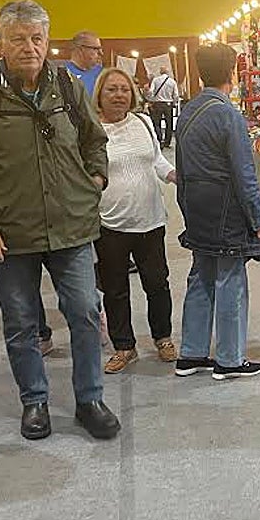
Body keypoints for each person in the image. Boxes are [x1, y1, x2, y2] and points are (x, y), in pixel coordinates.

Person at [0, 0, 119, 441]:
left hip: (72, 225)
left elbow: (93, 139)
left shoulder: (65, 84)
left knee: (84, 312)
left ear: (48, 40)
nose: (29, 48)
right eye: (18, 39)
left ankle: (89, 399)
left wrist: (95, 178)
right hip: (10, 234)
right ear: (1, 42)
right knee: (21, 321)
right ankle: (34, 401)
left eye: (37, 38)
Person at [173, 43, 260, 380]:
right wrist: (259, 218)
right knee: (231, 280)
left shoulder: (188, 111)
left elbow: (180, 170)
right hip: (226, 208)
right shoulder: (228, 114)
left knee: (200, 277)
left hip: (196, 206)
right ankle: (229, 359)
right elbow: (244, 174)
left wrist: (185, 208)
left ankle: (192, 353)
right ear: (233, 73)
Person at [91, 68, 178, 373]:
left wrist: (174, 176)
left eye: (124, 90)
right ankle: (124, 346)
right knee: (115, 290)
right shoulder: (91, 130)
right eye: (112, 90)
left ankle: (163, 338)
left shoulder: (142, 122)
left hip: (150, 220)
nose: (119, 95)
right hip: (110, 224)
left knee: (157, 284)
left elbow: (157, 159)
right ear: (99, 95)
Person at [147, 65, 179, 149]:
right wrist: (174, 103)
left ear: (160, 72)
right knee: (169, 123)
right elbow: (176, 95)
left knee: (157, 123)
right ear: (167, 72)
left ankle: (159, 140)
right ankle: (167, 142)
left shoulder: (156, 80)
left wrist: (151, 99)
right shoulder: (172, 82)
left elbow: (151, 92)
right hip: (168, 104)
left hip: (158, 104)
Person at [65, 30, 104, 95]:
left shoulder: (103, 74)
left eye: (100, 49)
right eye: (95, 49)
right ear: (80, 50)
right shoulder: (63, 75)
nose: (101, 53)